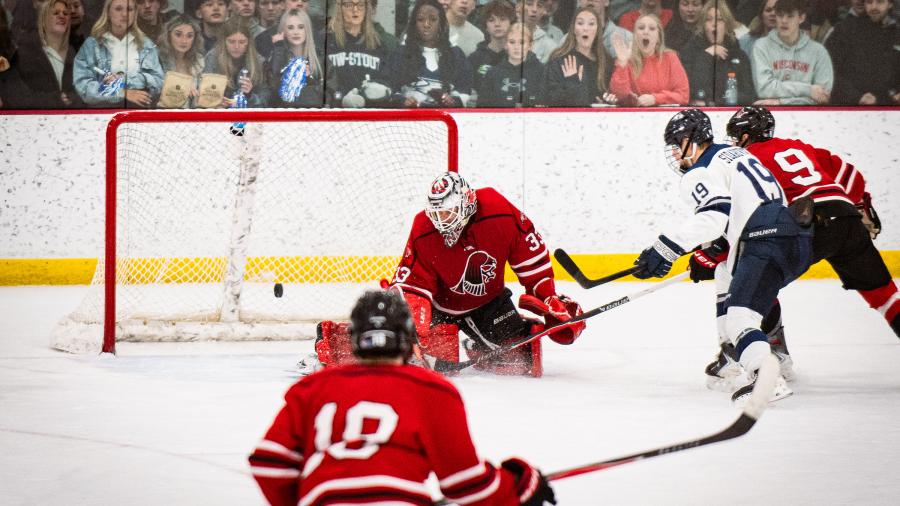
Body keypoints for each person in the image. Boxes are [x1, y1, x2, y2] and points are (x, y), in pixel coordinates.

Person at [252, 290, 557, 506]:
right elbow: (465, 484)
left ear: (354, 341)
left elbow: (269, 464)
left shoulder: (312, 389)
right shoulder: (433, 390)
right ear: (409, 341)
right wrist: (518, 483)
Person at [302, 172, 585, 378]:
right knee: (420, 358)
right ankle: (335, 340)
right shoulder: (423, 228)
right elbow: (413, 287)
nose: (440, 222)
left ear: (467, 203)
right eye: (436, 214)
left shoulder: (499, 212)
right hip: (437, 307)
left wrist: (549, 299)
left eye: (448, 214)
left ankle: (478, 346)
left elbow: (530, 257)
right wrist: (415, 332)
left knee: (521, 358)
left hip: (487, 302)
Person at [633, 108, 809, 403]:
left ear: (692, 139)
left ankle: (766, 376)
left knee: (741, 319)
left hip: (764, 240)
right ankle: (731, 354)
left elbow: (714, 213)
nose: (676, 155)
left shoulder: (698, 171)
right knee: (725, 271)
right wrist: (717, 247)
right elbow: (745, 205)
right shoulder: (734, 154)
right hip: (797, 239)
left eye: (678, 145)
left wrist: (665, 249)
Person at [720, 107, 899, 341]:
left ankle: (774, 351)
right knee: (884, 295)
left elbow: (745, 210)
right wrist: (859, 205)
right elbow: (852, 176)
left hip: (811, 225)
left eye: (735, 137)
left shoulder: (747, 160)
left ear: (744, 136)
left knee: (757, 279)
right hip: (848, 219)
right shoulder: (799, 147)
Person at [73, 0, 164, 107]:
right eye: (118, 9)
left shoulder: (146, 44)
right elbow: (83, 87)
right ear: (108, 12)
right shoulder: (92, 45)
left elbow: (158, 81)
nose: (125, 14)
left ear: (135, 13)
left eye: (130, 9)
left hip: (138, 113)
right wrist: (121, 92)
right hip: (101, 115)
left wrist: (124, 80)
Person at [383, 0, 472, 108]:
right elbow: (389, 88)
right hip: (408, 120)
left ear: (441, 23)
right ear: (414, 24)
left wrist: (453, 100)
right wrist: (403, 101)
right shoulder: (400, 53)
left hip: (445, 120)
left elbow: (465, 90)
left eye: (433, 19)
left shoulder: (456, 55)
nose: (426, 24)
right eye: (420, 19)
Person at [751, 0, 833, 105]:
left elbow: (823, 96)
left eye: (790, 16)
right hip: (771, 115)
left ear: (801, 18)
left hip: (809, 116)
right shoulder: (761, 46)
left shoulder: (819, 51)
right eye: (780, 15)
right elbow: (764, 89)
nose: (784, 21)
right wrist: (808, 90)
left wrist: (781, 102)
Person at [679, 0, 755, 105]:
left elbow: (748, 95)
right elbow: (692, 90)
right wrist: (706, 56)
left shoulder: (739, 55)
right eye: (709, 20)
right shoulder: (689, 52)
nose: (714, 24)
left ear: (727, 25)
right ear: (703, 25)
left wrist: (715, 101)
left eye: (719, 19)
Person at [825, 0, 900, 105]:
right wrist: (856, 97)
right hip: (848, 108)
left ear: (890, 4)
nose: (874, 7)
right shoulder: (844, 29)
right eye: (869, 2)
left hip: (888, 108)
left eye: (880, 2)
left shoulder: (896, 34)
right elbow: (826, 71)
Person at [9, 0, 83, 108]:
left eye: (65, 13)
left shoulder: (75, 53)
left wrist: (72, 98)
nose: (62, 16)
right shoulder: (25, 52)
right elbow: (17, 96)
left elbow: (83, 90)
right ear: (43, 20)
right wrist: (56, 99)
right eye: (56, 13)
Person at [609, 13, 689, 106]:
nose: (646, 32)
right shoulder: (627, 58)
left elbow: (683, 95)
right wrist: (622, 63)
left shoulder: (670, 57)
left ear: (658, 37)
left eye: (652, 29)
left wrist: (655, 98)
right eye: (641, 28)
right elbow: (619, 95)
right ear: (635, 35)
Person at [322, 0, 389, 107]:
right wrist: (341, 98)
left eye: (361, 4)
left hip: (369, 112)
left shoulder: (378, 44)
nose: (355, 9)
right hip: (336, 110)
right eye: (349, 5)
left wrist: (381, 89)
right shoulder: (325, 41)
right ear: (340, 8)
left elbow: (386, 79)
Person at [543, 6, 612, 106]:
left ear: (597, 31)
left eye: (591, 24)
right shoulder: (559, 60)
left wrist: (606, 101)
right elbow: (549, 98)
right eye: (580, 23)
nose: (585, 28)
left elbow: (607, 94)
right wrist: (572, 84)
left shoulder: (605, 61)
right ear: (574, 29)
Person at [203, 15, 267, 106]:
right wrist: (215, 103)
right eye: (231, 42)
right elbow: (205, 95)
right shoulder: (212, 58)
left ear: (248, 42)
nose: (236, 47)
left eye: (242, 42)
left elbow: (265, 100)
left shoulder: (259, 62)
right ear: (224, 41)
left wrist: (249, 95)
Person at [264, 7, 323, 106]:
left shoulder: (320, 58)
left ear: (307, 30)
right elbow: (272, 95)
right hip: (283, 118)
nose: (296, 32)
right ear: (283, 32)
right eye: (290, 28)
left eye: (301, 27)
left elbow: (327, 95)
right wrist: (279, 49)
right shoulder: (276, 57)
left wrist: (309, 79)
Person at [478, 21, 545, 106]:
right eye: (512, 42)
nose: (516, 47)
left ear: (530, 45)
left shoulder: (542, 71)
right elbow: (482, 106)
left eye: (521, 42)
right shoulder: (493, 73)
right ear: (506, 44)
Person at [468, 0, 515, 97]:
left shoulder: (518, 56)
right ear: (486, 26)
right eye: (491, 20)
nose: (497, 24)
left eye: (502, 19)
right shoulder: (474, 58)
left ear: (511, 23)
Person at [157, 14, 205, 106]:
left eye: (189, 36)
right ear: (168, 35)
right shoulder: (158, 58)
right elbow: (155, 91)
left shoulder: (199, 61)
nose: (184, 41)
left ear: (195, 38)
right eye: (178, 35)